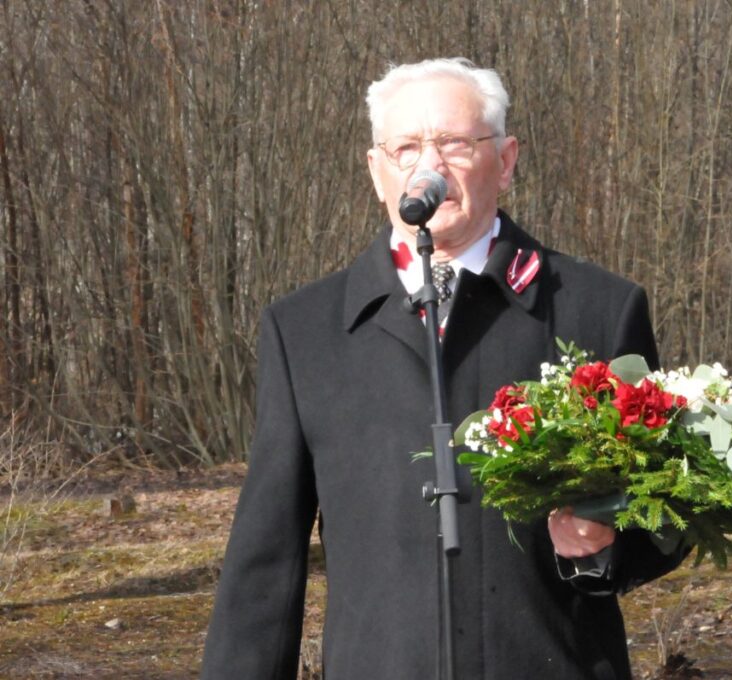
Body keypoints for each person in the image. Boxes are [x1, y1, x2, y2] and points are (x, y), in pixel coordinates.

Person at [201, 57, 687, 680]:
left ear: (505, 161)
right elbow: (265, 565)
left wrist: (603, 546)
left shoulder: (596, 309)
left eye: (455, 143)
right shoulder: (305, 331)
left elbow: (670, 516)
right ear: (377, 172)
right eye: (406, 148)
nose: (428, 167)